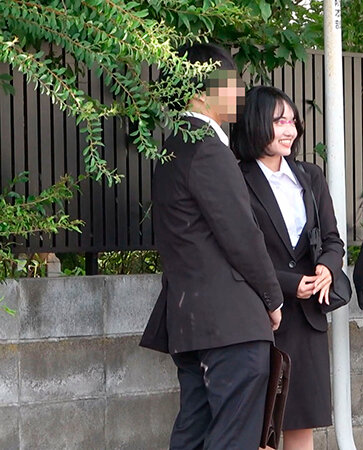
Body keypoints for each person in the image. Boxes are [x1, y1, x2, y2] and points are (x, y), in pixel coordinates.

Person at [140, 44, 284, 449]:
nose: (239, 91)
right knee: (234, 437)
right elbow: (241, 235)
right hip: (230, 324)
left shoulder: (173, 147)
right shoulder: (208, 148)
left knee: (195, 433)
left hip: (190, 321)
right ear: (201, 93)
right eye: (231, 81)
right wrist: (273, 298)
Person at [232, 86, 345, 450]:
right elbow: (237, 251)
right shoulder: (237, 178)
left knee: (301, 422)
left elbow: (333, 240)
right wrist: (286, 283)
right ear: (255, 123)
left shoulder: (309, 176)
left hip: (309, 316)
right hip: (260, 314)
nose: (290, 130)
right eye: (279, 121)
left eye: (293, 121)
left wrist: (327, 268)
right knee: (257, 424)